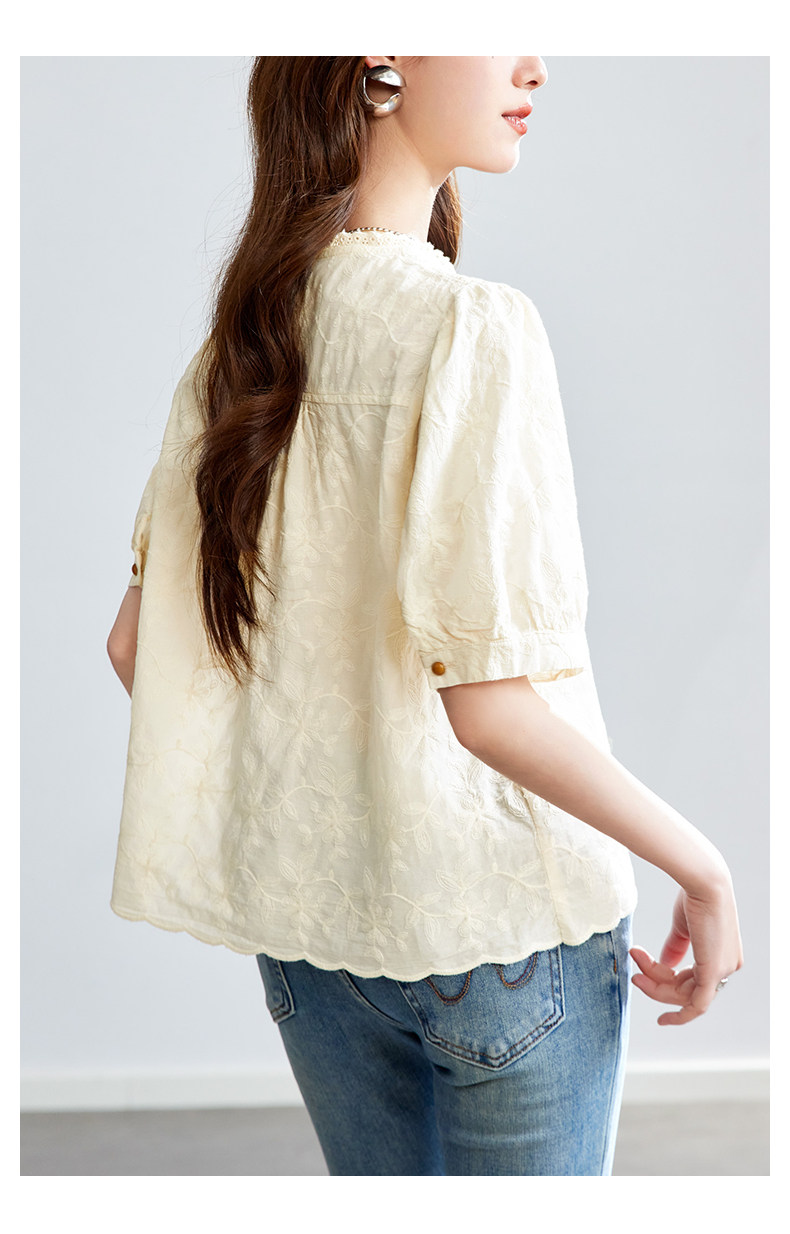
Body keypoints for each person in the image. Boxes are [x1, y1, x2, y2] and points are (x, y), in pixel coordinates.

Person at [106, 56, 743, 1177]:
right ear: (382, 64)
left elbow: (135, 648)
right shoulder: (470, 328)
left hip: (315, 940)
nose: (533, 63)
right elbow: (488, 708)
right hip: (503, 931)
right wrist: (705, 869)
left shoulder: (240, 349)